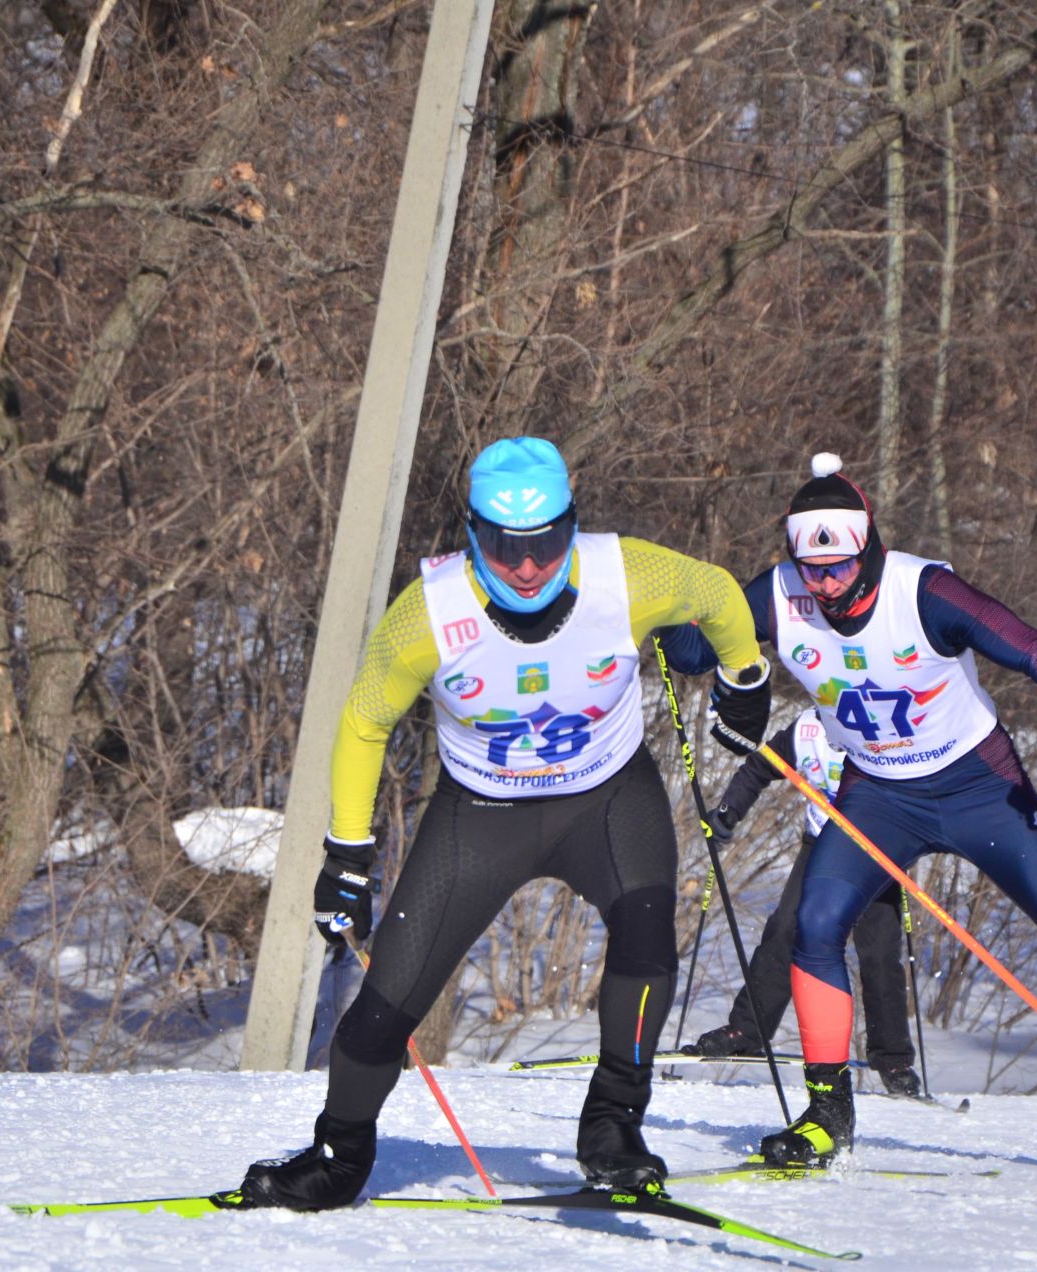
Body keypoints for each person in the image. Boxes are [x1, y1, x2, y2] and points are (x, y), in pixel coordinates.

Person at [659, 452, 1037, 1168]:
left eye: (839, 568)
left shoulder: (922, 591)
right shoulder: (782, 592)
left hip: (979, 788)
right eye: (812, 569)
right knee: (816, 926)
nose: (825, 585)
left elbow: (1026, 643)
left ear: (870, 548)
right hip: (880, 794)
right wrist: (673, 618)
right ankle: (827, 1114)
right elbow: (699, 648)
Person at [234, 436, 772, 1210]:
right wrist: (347, 854)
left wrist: (745, 677)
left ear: (572, 525)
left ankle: (613, 1125)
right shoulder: (428, 614)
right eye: (503, 545)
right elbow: (362, 721)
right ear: (472, 533)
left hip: (608, 798)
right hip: (480, 814)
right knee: (383, 1007)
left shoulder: (628, 575)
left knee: (649, 942)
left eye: (547, 542)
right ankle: (338, 1156)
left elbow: (720, 595)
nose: (526, 566)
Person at [681, 708, 921, 1100]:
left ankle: (892, 1059)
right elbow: (758, 767)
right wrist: (728, 814)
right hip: (821, 848)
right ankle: (747, 1030)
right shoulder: (806, 729)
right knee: (785, 930)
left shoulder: (889, 731)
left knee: (878, 952)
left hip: (876, 852)